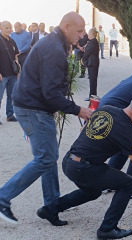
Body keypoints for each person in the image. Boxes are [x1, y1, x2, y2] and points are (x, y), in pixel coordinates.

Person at [37, 92, 132, 239]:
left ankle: (50, 209)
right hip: (84, 168)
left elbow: (84, 129)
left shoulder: (107, 109)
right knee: (128, 183)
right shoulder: (125, 132)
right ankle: (107, 228)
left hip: (69, 161)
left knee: (92, 191)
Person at [0, 12, 93, 225]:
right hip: (33, 109)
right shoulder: (54, 49)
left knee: (48, 157)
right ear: (66, 26)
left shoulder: (56, 44)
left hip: (32, 106)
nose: (82, 35)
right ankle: (3, 196)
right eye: (79, 31)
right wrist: (78, 110)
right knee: (46, 158)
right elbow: (51, 93)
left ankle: (51, 206)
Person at [0, 21, 19, 125]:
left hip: (12, 74)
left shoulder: (12, 41)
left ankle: (10, 115)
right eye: (6, 27)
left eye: (10, 27)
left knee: (11, 96)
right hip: (2, 75)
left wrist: (18, 71)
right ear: (1, 28)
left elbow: (16, 56)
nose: (9, 29)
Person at [82, 28, 99, 101]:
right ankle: (92, 96)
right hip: (93, 63)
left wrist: (83, 60)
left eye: (89, 33)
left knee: (92, 81)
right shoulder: (93, 41)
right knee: (92, 80)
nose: (88, 34)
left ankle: (92, 97)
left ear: (92, 34)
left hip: (92, 63)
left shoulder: (93, 42)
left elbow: (87, 52)